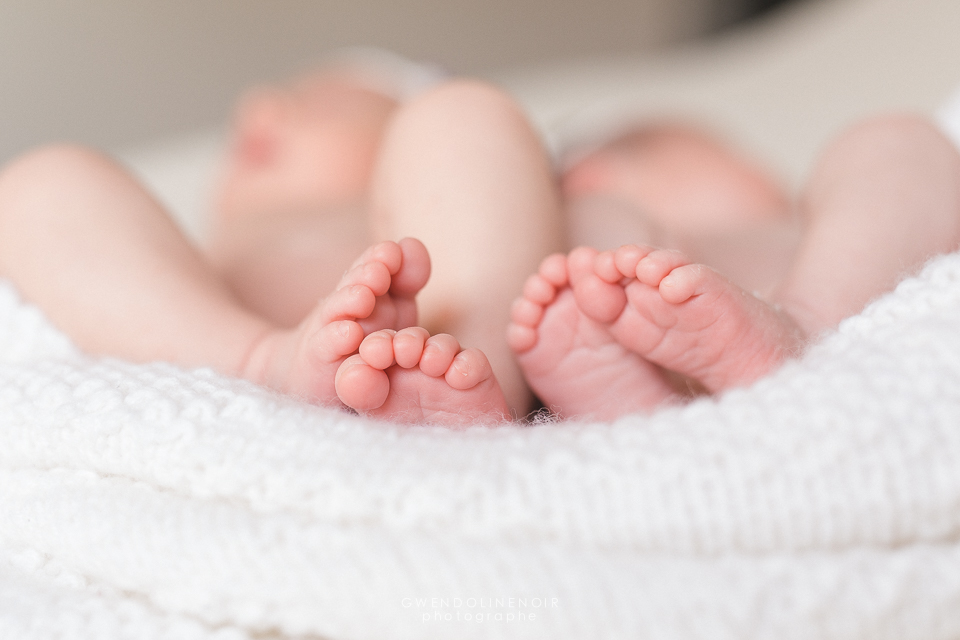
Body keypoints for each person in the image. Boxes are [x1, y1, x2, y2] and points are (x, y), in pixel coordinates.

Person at [1, 57, 958, 425]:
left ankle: (802, 325)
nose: (263, 105)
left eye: (326, 98)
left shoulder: (483, 164)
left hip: (704, 312)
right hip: (294, 339)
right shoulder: (217, 265)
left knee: (899, 139)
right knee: (37, 185)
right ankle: (276, 364)